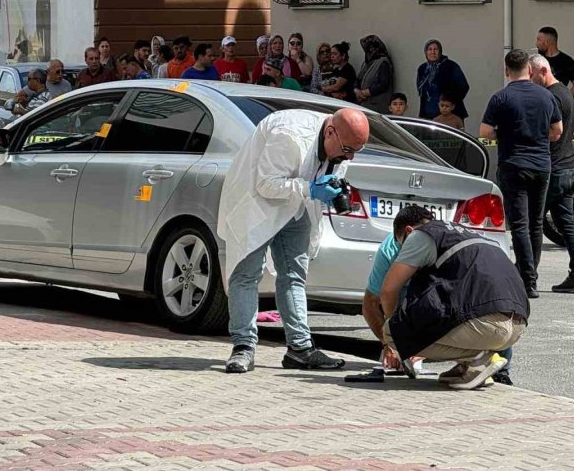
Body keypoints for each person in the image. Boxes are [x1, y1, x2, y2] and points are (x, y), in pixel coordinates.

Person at [218, 108, 371, 373]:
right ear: (331, 132)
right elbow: (266, 184)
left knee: (294, 275)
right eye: (347, 149)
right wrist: (310, 188)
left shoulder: (340, 143)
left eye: (356, 151)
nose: (350, 156)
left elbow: (330, 169)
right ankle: (243, 347)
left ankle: (300, 349)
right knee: (246, 275)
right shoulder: (288, 137)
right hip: (257, 204)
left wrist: (327, 187)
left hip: (296, 204)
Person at [381, 214, 529, 390]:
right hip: (517, 326)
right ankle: (469, 366)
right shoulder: (472, 234)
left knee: (392, 332)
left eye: (401, 245)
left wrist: (397, 330)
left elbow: (388, 291)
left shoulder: (420, 236)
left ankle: (477, 359)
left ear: (408, 231)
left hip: (487, 326)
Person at [480, 50, 563, 298]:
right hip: (541, 165)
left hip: (513, 164)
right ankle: (532, 275)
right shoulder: (546, 97)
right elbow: (557, 131)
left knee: (519, 225)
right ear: (529, 69)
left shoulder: (501, 97)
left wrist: (503, 135)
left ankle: (526, 281)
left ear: (507, 71)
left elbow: (485, 131)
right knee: (536, 223)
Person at [530, 55, 574, 293]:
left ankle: (527, 274)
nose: (531, 81)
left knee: (533, 223)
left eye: (532, 75)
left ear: (543, 70)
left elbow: (551, 132)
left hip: (553, 169)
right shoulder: (564, 92)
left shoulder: (551, 96)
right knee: (567, 223)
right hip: (567, 167)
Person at [363, 206, 435, 375]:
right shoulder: (389, 251)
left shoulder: (438, 243)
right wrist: (388, 343)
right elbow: (370, 303)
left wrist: (424, 346)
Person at [415, 39, 469, 121]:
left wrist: (449, 102)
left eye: (435, 49)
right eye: (430, 49)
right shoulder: (422, 69)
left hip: (449, 115)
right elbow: (421, 91)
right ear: (426, 52)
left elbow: (464, 87)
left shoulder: (450, 66)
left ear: (440, 51)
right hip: (428, 114)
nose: (432, 52)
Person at [536, 26, 574, 98]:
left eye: (539, 40)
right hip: (539, 103)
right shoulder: (537, 59)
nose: (536, 44)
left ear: (547, 42)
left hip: (557, 104)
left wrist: (566, 101)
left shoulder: (566, 61)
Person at [354, 35, 394, 113]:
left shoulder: (383, 62)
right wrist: (356, 90)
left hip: (377, 106)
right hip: (365, 104)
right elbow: (358, 79)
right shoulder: (367, 63)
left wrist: (366, 92)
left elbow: (383, 84)